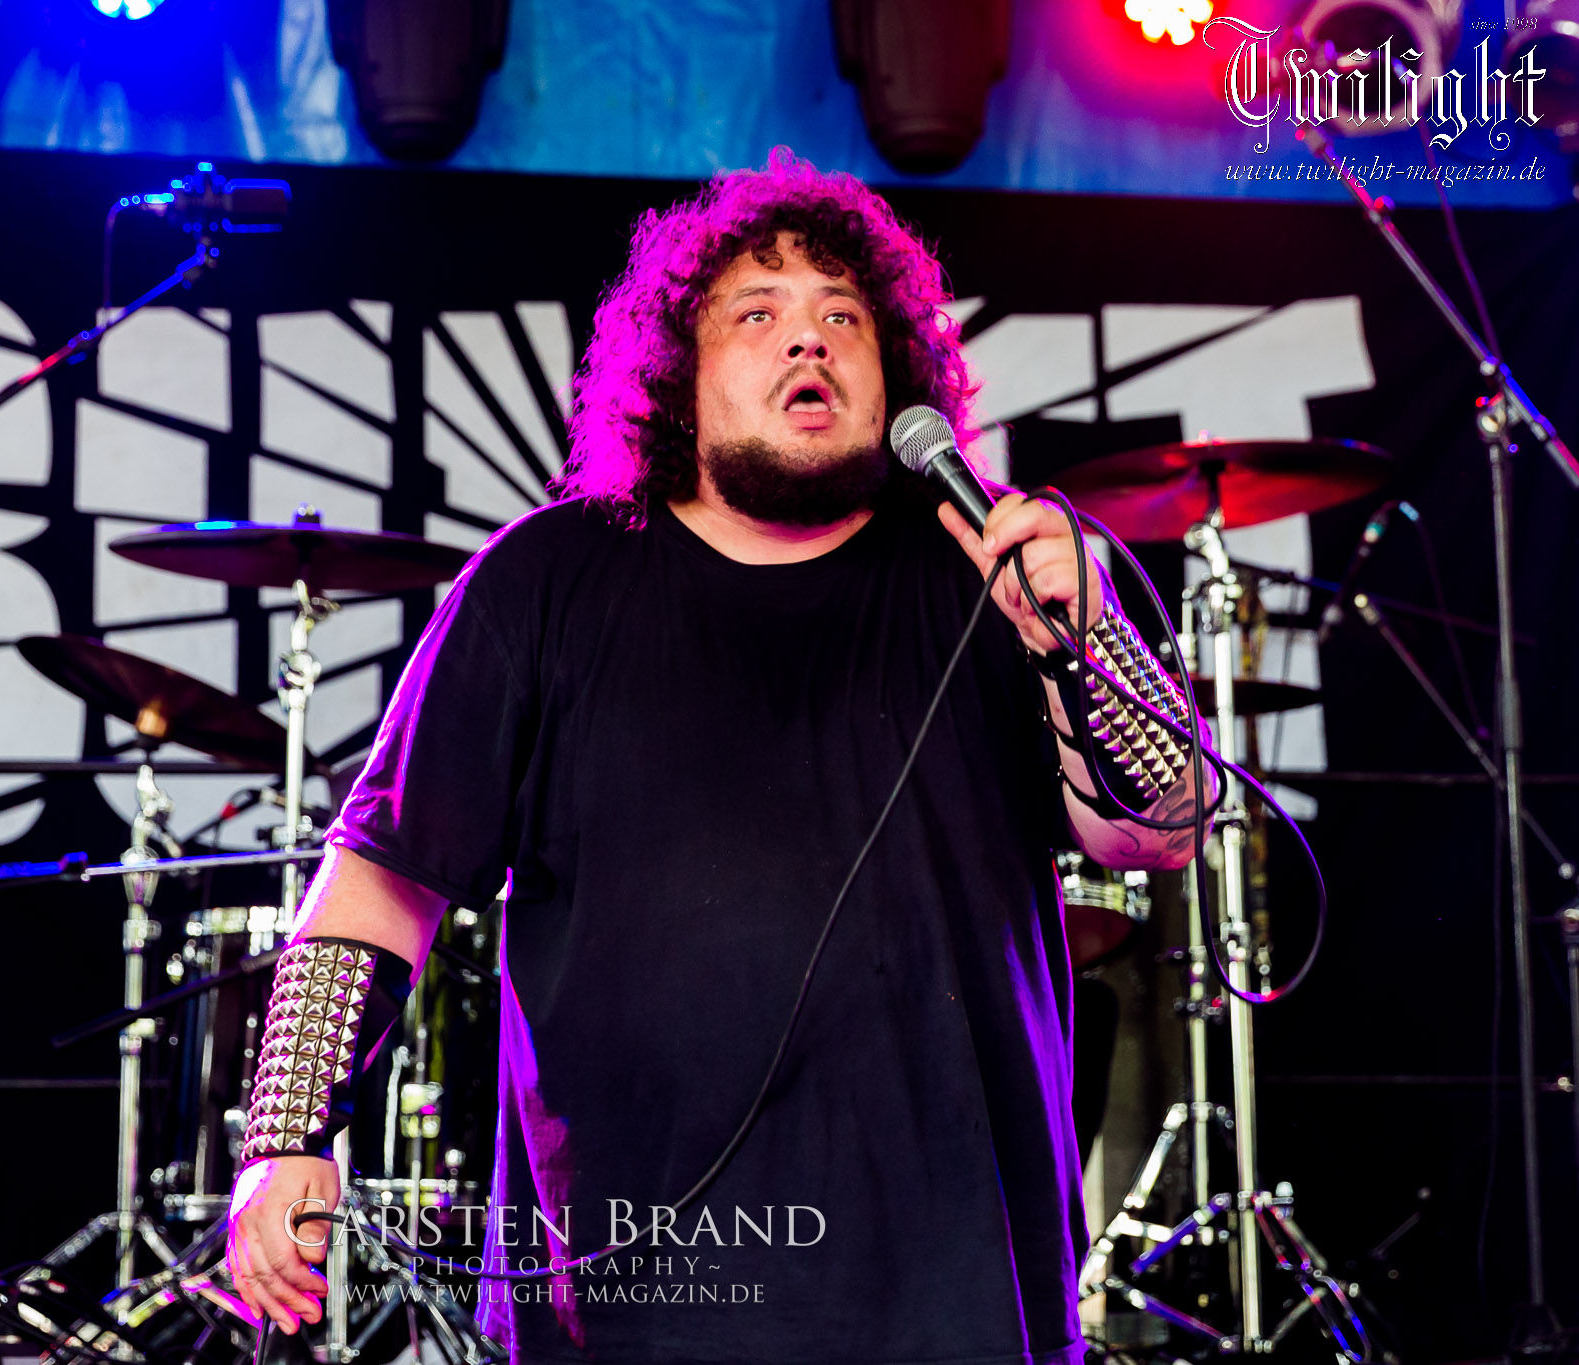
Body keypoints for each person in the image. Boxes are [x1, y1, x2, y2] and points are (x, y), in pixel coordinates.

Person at [222, 147, 1207, 1365]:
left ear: (894, 374)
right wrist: (285, 1128)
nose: (807, 339)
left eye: (841, 316)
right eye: (757, 313)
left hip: (954, 1286)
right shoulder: (545, 578)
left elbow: (1158, 830)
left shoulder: (994, 569)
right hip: (628, 1289)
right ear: (676, 380)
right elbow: (379, 878)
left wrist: (1083, 642)